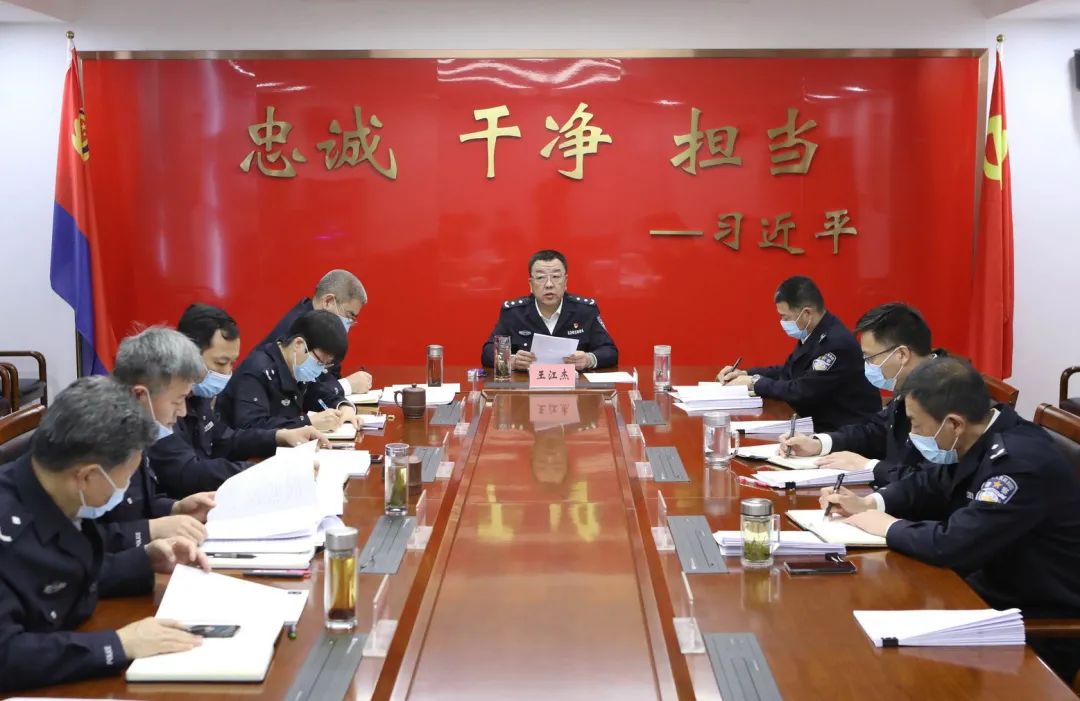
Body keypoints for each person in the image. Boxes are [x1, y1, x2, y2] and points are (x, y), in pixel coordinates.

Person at [821, 357, 1080, 682]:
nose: (912, 434)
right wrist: (868, 503)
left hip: (1031, 620)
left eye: (916, 425)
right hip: (982, 588)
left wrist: (888, 526)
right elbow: (931, 482)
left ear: (953, 424)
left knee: (880, 662)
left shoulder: (1019, 464)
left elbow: (954, 544)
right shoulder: (979, 435)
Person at [0, 376, 209, 692]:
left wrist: (143, 561)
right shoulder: (9, 529)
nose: (124, 489)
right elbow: (6, 656)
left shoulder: (53, 490)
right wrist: (117, 645)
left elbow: (65, 574)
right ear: (87, 476)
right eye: (126, 478)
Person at [149, 304, 327, 497]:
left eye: (232, 363)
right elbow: (188, 471)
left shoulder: (199, 396)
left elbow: (224, 439)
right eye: (220, 362)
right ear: (189, 355)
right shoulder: (159, 402)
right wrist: (263, 472)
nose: (227, 372)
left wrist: (279, 436)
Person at [780, 302, 946, 485]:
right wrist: (819, 443)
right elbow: (876, 432)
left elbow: (931, 481)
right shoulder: (910, 380)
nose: (866, 365)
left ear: (902, 355)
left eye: (870, 357)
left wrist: (868, 466)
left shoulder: (946, 396)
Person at [717, 275, 880, 432]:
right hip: (817, 422)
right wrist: (746, 374)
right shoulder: (814, 332)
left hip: (843, 432)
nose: (782, 322)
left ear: (807, 313)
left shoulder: (836, 344)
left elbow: (802, 391)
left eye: (785, 317)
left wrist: (755, 383)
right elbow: (790, 371)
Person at [105, 327, 219, 551]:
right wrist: (151, 530)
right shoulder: (97, 438)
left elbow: (138, 504)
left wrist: (175, 508)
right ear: (140, 395)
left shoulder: (135, 427)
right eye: (177, 400)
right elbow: (83, 540)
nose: (183, 411)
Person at [481, 250, 618, 371]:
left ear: (565, 281)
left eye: (556, 277)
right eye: (541, 278)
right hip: (526, 387)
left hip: (576, 387)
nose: (549, 284)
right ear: (531, 284)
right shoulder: (514, 313)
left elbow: (610, 351)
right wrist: (512, 360)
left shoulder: (585, 311)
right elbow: (487, 353)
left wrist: (588, 359)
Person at [220, 310, 350, 432]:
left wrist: (342, 406)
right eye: (320, 361)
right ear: (298, 344)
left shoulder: (296, 367)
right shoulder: (257, 371)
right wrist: (307, 422)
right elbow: (251, 427)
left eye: (325, 365)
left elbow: (315, 393)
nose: (320, 369)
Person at [261, 269, 372, 408]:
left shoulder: (325, 329)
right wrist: (347, 385)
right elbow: (299, 394)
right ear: (328, 301)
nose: (349, 323)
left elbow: (330, 376)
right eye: (349, 315)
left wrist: (342, 404)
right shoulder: (297, 329)